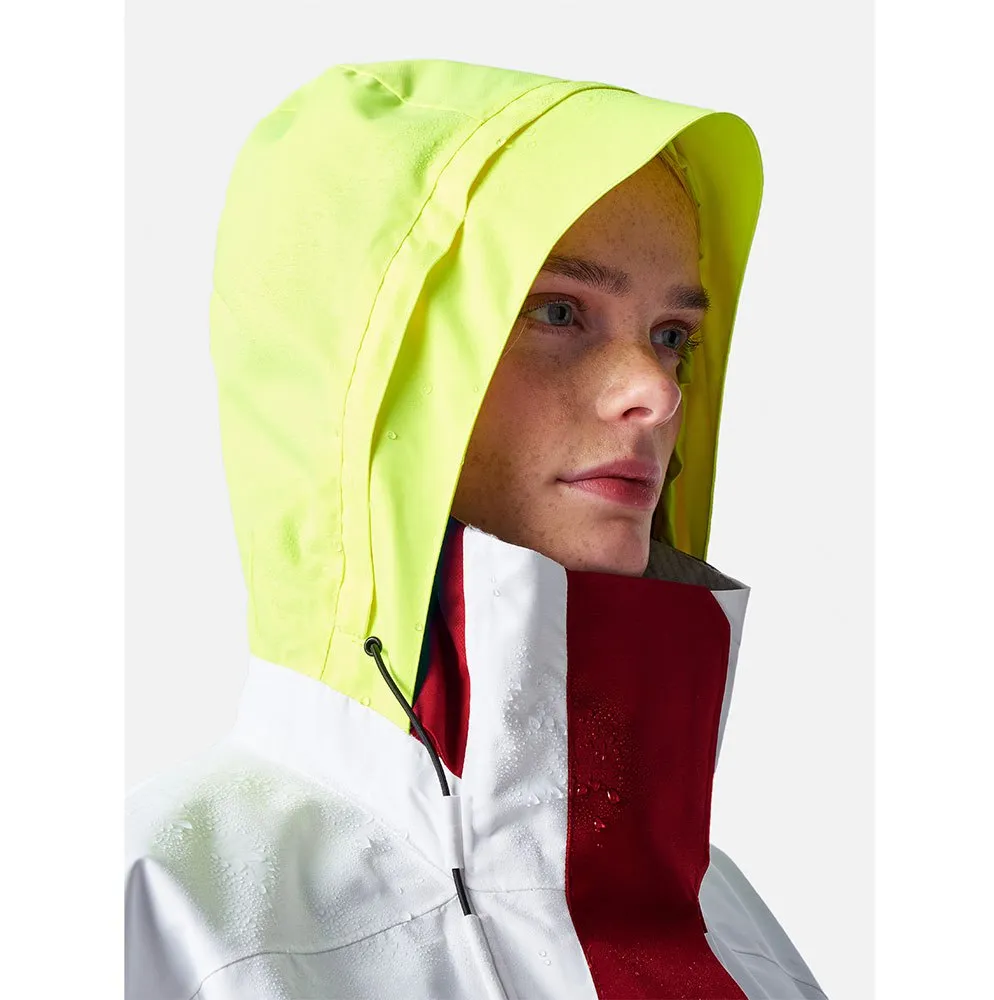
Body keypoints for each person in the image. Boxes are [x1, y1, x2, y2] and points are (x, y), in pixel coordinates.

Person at [125, 57, 828, 999]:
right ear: (367, 378)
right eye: (558, 311)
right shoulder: (166, 911)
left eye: (672, 336)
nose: (657, 393)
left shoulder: (720, 913)